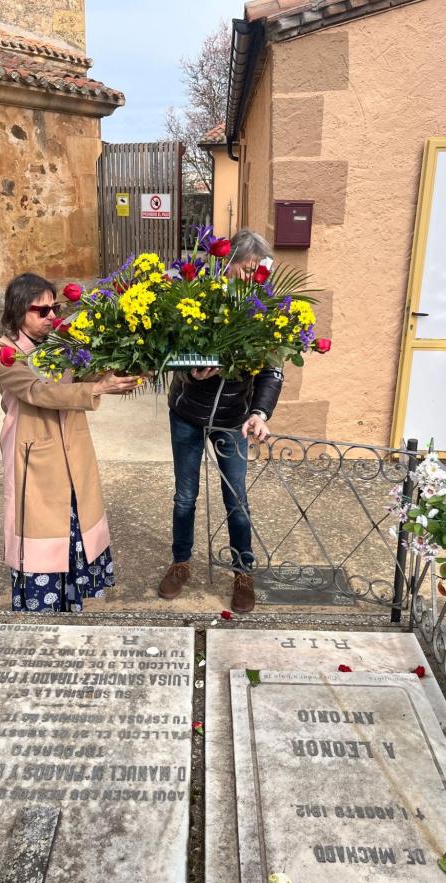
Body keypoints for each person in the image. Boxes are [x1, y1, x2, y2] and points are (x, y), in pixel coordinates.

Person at [0, 272, 138, 613]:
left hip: (73, 446)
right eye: (41, 311)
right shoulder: (4, 352)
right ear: (17, 311)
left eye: (54, 308)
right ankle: (42, 609)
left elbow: (86, 374)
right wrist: (98, 389)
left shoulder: (63, 341)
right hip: (35, 455)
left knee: (76, 521)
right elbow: (36, 391)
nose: (52, 317)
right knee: (42, 531)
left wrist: (118, 371)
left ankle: (72, 601)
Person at [158, 230, 284, 614]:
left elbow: (273, 369)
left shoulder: (267, 311)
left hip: (232, 419)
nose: (251, 277)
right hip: (187, 414)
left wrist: (260, 413)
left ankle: (242, 572)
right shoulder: (198, 295)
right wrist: (188, 368)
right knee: (185, 496)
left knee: (237, 500)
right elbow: (168, 343)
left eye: (258, 271)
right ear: (226, 265)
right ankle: (181, 563)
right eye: (245, 269)